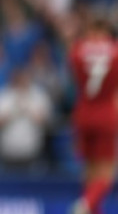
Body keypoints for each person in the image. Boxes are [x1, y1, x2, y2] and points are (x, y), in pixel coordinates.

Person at [68, 18, 118, 214]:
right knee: (105, 175)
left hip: (83, 113)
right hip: (106, 114)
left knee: (89, 172)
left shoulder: (77, 51)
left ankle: (91, 207)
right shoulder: (115, 53)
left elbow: (75, 79)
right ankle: (85, 204)